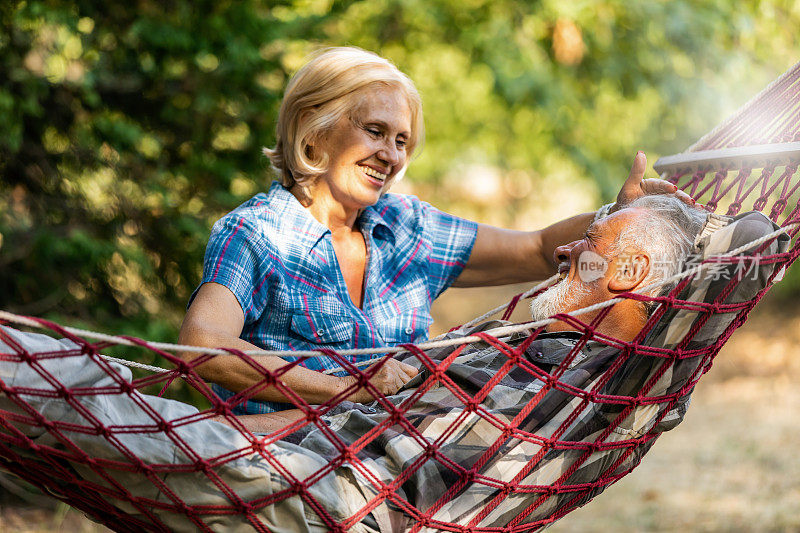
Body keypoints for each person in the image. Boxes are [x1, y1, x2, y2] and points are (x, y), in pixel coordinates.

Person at [1, 196, 726, 532]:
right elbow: (361, 414)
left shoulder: (552, 364)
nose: (572, 251)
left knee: (58, 390)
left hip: (307, 490)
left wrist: (240, 432)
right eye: (375, 131)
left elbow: (370, 437)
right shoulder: (584, 365)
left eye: (592, 239)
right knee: (74, 388)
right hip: (298, 461)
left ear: (629, 269)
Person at [177, 46, 694, 415]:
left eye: (401, 141)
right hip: (289, 483)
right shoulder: (256, 234)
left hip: (403, 472)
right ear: (314, 128)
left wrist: (618, 216)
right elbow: (202, 346)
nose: (391, 155)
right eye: (375, 131)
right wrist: (349, 389)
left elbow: (540, 249)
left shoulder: (407, 228)